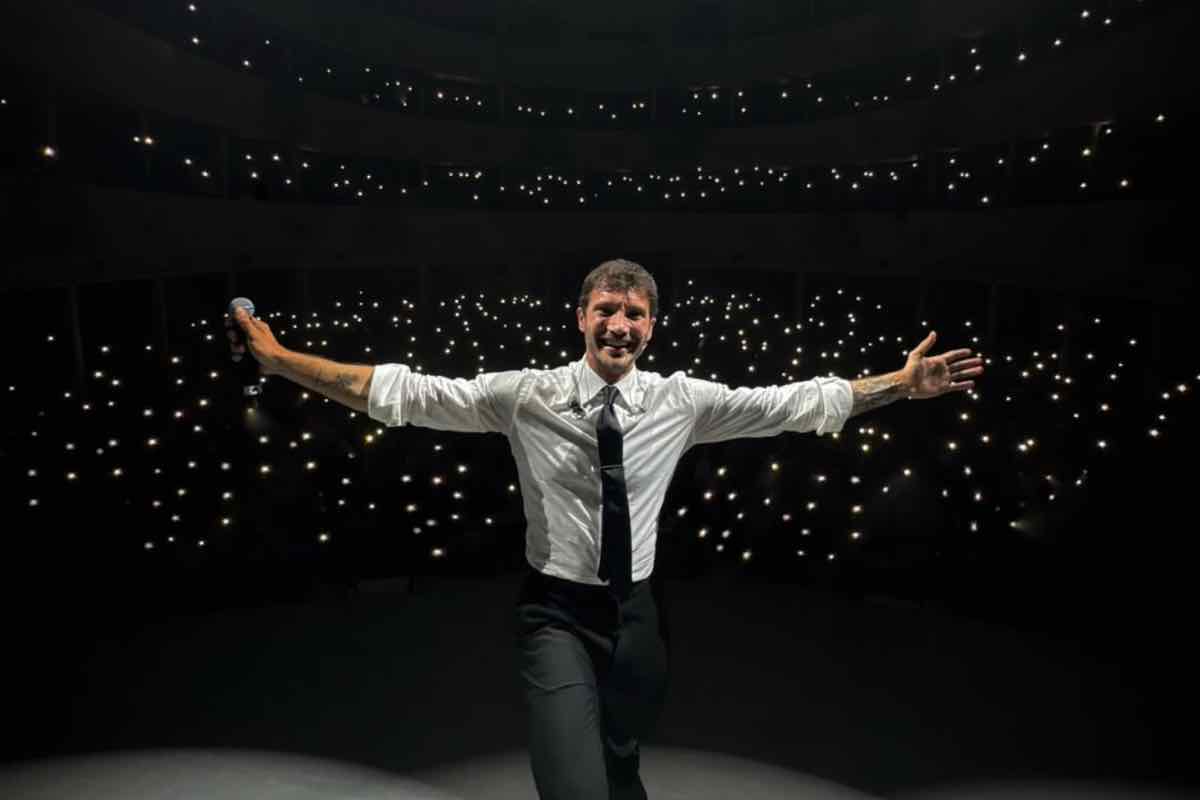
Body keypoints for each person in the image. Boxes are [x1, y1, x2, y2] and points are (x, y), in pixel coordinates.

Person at [227, 258, 984, 800]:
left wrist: (900, 384)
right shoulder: (526, 395)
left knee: (623, 760)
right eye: (606, 310)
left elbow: (795, 404)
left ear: (652, 326)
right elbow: (401, 393)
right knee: (575, 785)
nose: (619, 325)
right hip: (555, 612)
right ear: (581, 317)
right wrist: (281, 361)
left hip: (637, 614)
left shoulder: (683, 401)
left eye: (634, 313)